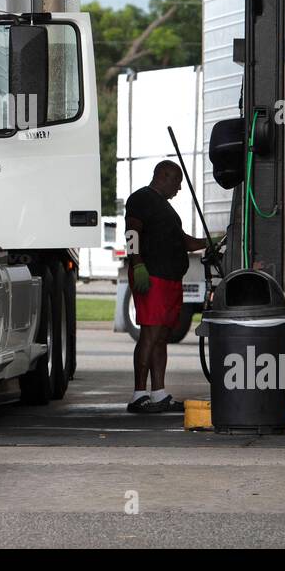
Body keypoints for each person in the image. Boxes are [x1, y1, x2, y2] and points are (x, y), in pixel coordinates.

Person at [124, 160, 205, 413]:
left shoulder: (167, 211)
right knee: (150, 334)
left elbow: (186, 243)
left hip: (171, 279)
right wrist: (137, 264)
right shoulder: (141, 199)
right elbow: (132, 233)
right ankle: (139, 394)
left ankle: (158, 393)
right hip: (152, 276)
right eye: (177, 182)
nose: (179, 188)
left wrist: (213, 241)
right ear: (164, 176)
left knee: (161, 337)